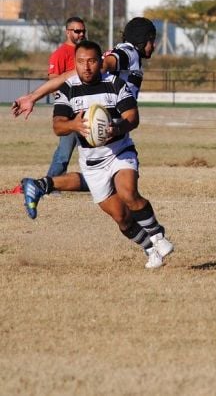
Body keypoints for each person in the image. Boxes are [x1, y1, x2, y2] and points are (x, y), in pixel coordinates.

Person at [33, 40, 173, 268]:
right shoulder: (68, 88)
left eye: (91, 61)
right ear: (75, 63)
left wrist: (118, 128)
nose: (86, 67)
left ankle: (158, 235)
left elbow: (132, 117)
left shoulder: (115, 84)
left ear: (100, 62)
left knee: (128, 193)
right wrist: (74, 126)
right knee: (121, 218)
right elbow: (57, 126)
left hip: (119, 151)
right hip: (91, 163)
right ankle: (150, 249)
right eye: (80, 62)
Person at [14, 18, 158, 219]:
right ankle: (41, 185)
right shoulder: (129, 52)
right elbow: (83, 72)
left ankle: (41, 185)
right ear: (143, 40)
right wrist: (33, 96)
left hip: (97, 119)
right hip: (95, 119)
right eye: (153, 40)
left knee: (100, 173)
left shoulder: (127, 52)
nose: (155, 45)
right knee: (106, 176)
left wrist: (34, 97)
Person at [45, 16, 88, 180]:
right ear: (67, 32)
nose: (81, 34)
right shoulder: (60, 53)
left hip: (87, 107)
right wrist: (64, 104)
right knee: (64, 152)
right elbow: (53, 79)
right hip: (70, 111)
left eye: (83, 31)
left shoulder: (84, 51)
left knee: (97, 148)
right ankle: (51, 183)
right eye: (77, 31)